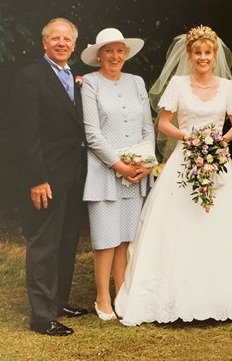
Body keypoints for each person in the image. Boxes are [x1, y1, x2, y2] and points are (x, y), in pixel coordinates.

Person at [114, 25, 232, 325]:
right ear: (190, 55)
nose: (203, 57)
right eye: (198, 52)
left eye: (208, 52)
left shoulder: (227, 87)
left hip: (216, 160)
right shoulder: (179, 84)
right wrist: (188, 137)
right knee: (177, 223)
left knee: (222, 224)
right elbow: (163, 123)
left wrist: (219, 141)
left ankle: (225, 296)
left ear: (215, 54)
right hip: (184, 160)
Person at [10, 18, 88, 336]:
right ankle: (42, 317)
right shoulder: (30, 77)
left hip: (74, 174)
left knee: (67, 241)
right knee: (44, 244)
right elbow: (25, 134)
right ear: (44, 43)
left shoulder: (75, 79)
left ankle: (58, 303)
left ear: (74, 44)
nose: (61, 43)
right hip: (47, 177)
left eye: (66, 39)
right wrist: (37, 178)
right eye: (54, 38)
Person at [80, 28, 155, 321]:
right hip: (104, 172)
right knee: (105, 239)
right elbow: (92, 133)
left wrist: (146, 163)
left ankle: (122, 294)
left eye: (119, 50)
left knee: (125, 238)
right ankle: (102, 298)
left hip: (136, 173)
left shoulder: (137, 82)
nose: (114, 56)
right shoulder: (90, 83)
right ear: (99, 54)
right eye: (108, 51)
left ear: (126, 53)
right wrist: (118, 165)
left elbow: (148, 127)